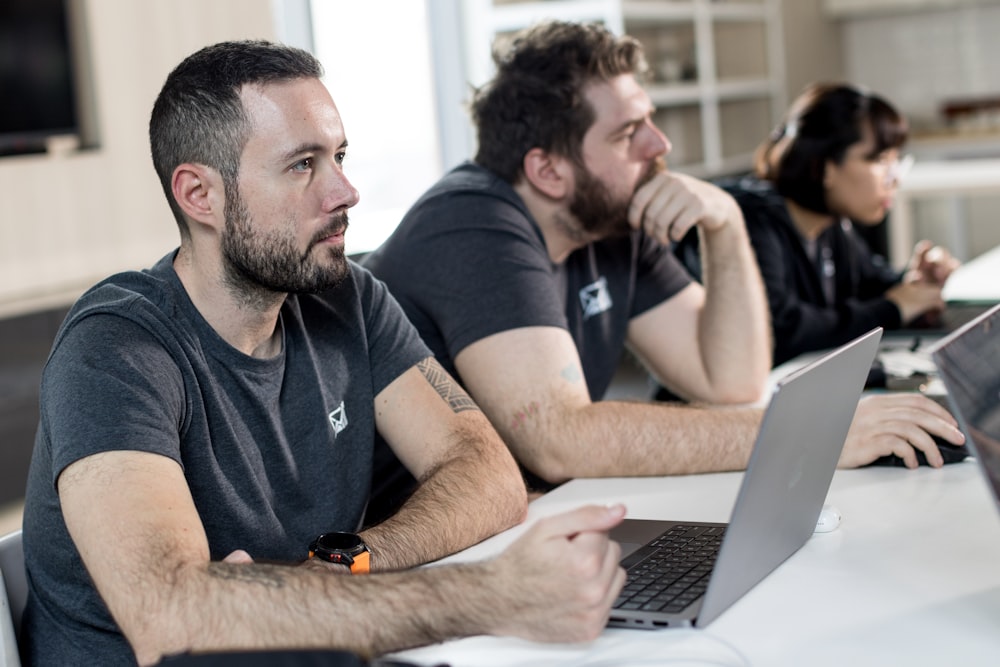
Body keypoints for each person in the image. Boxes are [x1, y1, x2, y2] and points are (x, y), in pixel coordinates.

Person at [19, 40, 629, 666]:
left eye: (338, 156)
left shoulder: (346, 297)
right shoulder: (115, 349)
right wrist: (495, 596)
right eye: (303, 165)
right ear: (200, 196)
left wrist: (344, 563)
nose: (346, 191)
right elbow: (175, 619)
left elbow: (490, 473)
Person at [362, 21, 967, 517]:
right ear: (548, 171)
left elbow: (729, 381)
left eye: (649, 120)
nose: (660, 146)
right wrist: (816, 430)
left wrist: (725, 225)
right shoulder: (472, 221)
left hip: (539, 516)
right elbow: (559, 439)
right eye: (630, 133)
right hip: (414, 551)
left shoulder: (612, 219)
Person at [679, 82, 960, 366]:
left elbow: (871, 286)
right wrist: (895, 307)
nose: (894, 177)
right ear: (824, 167)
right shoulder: (751, 222)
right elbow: (780, 331)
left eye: (896, 160)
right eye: (879, 159)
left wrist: (913, 283)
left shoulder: (832, 223)